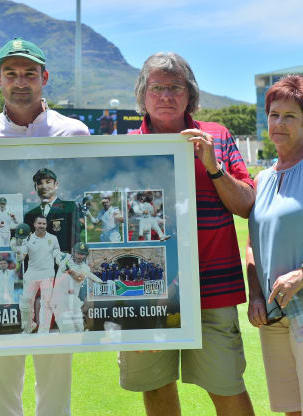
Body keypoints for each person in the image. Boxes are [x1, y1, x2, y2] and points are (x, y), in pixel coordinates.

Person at [118, 52, 256, 416]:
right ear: (143, 95)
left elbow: (246, 205)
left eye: (175, 87)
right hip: (147, 289)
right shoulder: (124, 146)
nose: (165, 95)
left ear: (189, 93)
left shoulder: (218, 137)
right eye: (157, 87)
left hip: (213, 287)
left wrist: (214, 168)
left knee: (227, 386)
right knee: (156, 386)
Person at [0, 37, 89, 416]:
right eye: (12, 74)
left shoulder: (74, 133)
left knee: (54, 390)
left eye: (30, 74)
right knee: (2, 392)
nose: (21, 82)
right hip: (5, 282)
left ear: (44, 77)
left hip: (55, 281)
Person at [247, 75, 303, 416]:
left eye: (291, 115)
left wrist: (300, 276)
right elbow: (252, 243)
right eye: (274, 114)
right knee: (291, 409)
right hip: (272, 314)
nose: (279, 123)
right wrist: (255, 293)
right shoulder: (262, 179)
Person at [17, 215, 60, 334]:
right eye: (39, 223)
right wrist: (18, 249)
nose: (42, 226)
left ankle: (44, 331)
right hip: (32, 274)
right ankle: (29, 326)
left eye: (44, 224)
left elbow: (57, 253)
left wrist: (60, 259)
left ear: (46, 225)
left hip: (48, 274)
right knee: (26, 302)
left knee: (46, 303)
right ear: (34, 225)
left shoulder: (53, 238)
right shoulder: (28, 239)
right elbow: (21, 257)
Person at [24, 168, 81, 253]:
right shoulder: (30, 216)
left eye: (48, 182)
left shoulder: (70, 207)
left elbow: (76, 242)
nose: (44, 186)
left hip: (62, 263)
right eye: (40, 183)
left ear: (56, 184)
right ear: (35, 187)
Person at [51, 242, 102, 332]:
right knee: (68, 329)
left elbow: (79, 278)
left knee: (79, 329)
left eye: (82, 254)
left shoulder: (85, 268)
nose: (79, 256)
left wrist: (68, 269)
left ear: (85, 255)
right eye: (78, 253)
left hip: (73, 300)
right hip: (59, 299)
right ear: (73, 252)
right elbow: (54, 252)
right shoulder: (65, 257)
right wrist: (59, 259)